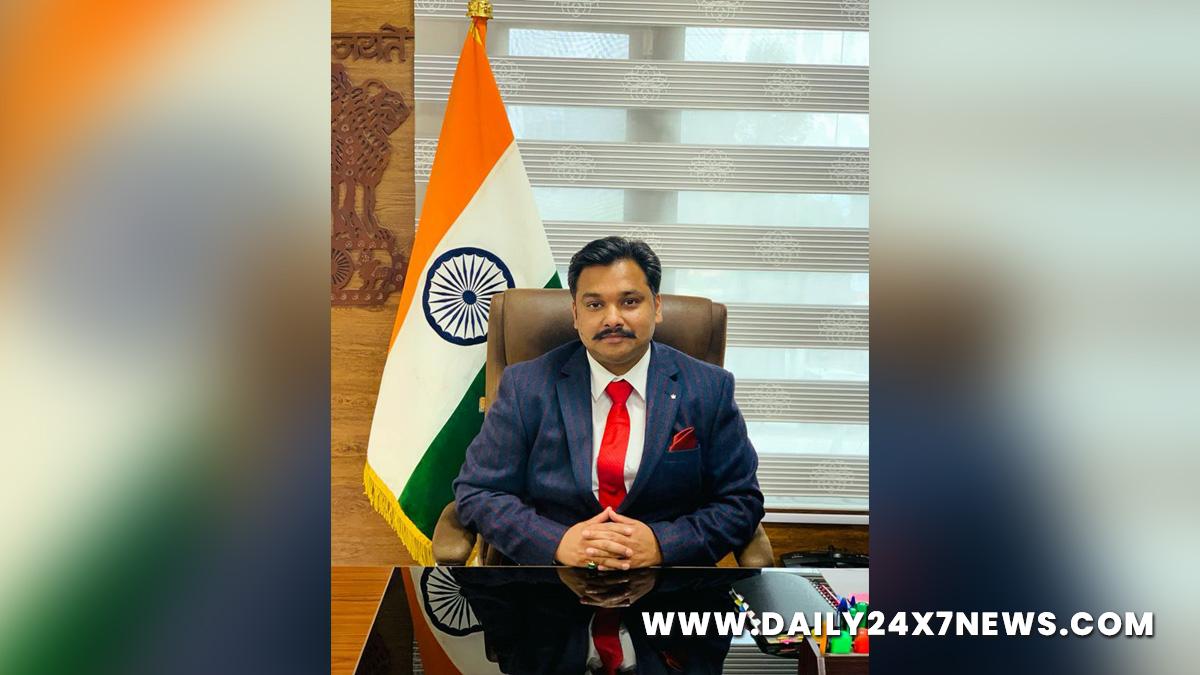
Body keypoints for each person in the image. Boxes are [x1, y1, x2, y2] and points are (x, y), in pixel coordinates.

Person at [453, 236, 764, 568]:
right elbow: (478, 492)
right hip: (551, 577)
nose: (612, 319)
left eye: (629, 302)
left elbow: (741, 501)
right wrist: (556, 542)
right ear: (575, 314)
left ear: (657, 307)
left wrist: (663, 544)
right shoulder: (526, 386)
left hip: (668, 578)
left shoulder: (709, 388)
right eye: (594, 305)